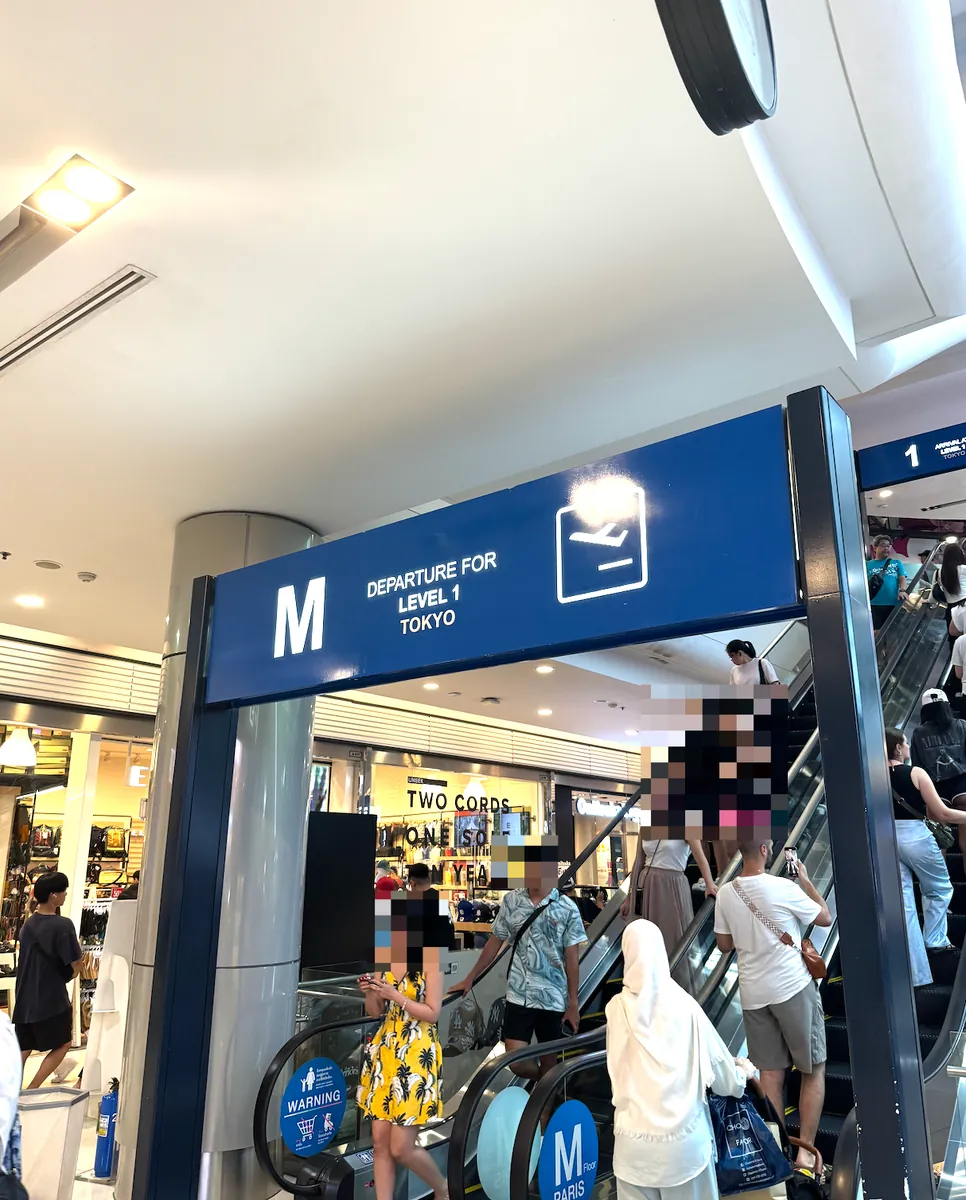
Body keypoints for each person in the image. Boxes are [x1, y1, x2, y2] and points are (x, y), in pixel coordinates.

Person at [606, 921, 753, 1200]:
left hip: (631, 1151)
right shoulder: (685, 1007)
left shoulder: (615, 1009)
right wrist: (742, 1073)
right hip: (683, 1150)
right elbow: (723, 1080)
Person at [713, 840, 832, 1171]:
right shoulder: (783, 887)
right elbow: (824, 917)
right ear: (765, 849)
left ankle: (779, 1153)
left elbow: (723, 944)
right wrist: (804, 879)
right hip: (792, 988)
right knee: (813, 1068)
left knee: (770, 1075)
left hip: (754, 996)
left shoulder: (726, 893)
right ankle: (806, 1153)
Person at [450, 852, 586, 1079]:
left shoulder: (567, 908)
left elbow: (572, 958)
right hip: (519, 993)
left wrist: (573, 1003)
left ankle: (543, 1099)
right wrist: (470, 977)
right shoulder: (512, 901)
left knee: (549, 1060)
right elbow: (494, 942)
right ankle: (544, 1084)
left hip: (552, 995)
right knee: (515, 1061)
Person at [358, 894, 450, 1200]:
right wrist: (370, 992)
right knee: (379, 1142)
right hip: (385, 1051)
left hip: (416, 1054)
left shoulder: (431, 960)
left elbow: (433, 1013)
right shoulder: (385, 957)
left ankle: (443, 1188)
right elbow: (375, 1012)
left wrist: (396, 997)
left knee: (401, 1147)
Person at [886, 727, 964, 985]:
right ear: (898, 747)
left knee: (905, 903)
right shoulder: (915, 772)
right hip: (914, 835)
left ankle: (917, 973)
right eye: (905, 743)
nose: (908, 747)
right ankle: (936, 939)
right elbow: (942, 813)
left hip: (884, 838)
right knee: (939, 888)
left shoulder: (871, 776)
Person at [14, 871, 82, 1088]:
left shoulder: (28, 924)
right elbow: (76, 963)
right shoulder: (62, 925)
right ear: (53, 895)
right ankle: (32, 1089)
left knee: (24, 1046)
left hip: (25, 996)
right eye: (63, 891)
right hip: (50, 998)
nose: (65, 895)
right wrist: (71, 973)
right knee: (63, 1043)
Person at [620, 838, 717, 991]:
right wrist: (629, 897)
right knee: (647, 945)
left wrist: (709, 883)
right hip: (647, 886)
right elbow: (638, 862)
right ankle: (650, 992)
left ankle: (677, 991)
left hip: (672, 886)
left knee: (674, 941)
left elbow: (700, 855)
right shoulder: (647, 825)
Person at [910, 689, 966, 854]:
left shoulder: (919, 733)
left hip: (935, 789)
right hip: (963, 786)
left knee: (940, 843)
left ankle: (940, 872)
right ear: (947, 705)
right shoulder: (962, 725)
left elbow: (917, 765)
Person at [866, 534, 909, 630]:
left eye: (888, 546)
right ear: (875, 548)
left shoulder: (896, 563)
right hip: (874, 604)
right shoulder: (866, 565)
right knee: (876, 632)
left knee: (892, 632)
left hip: (893, 603)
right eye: (883, 545)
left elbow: (902, 578)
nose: (886, 548)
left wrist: (902, 590)